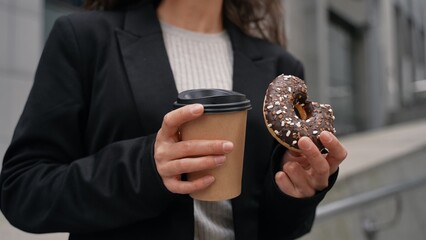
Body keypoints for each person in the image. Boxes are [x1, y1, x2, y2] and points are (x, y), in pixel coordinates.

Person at [0, 0, 347, 239]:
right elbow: (23, 190)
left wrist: (297, 193)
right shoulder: (84, 39)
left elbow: (273, 226)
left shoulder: (277, 65)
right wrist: (145, 168)